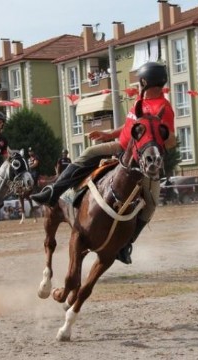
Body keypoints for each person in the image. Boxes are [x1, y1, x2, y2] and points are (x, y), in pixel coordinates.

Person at [31, 61, 176, 265]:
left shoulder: (164, 108)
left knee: (151, 203)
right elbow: (127, 128)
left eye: (139, 81)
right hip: (120, 147)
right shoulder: (138, 102)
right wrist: (109, 134)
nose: (138, 84)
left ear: (144, 81)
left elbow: (171, 141)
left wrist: (161, 135)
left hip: (142, 161)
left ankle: (125, 244)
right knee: (89, 154)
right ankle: (54, 192)